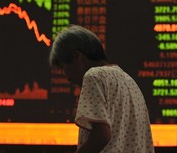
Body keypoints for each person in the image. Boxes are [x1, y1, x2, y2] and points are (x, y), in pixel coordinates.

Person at [49, 24, 155, 153]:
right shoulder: (129, 81)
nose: (67, 77)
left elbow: (101, 136)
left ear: (77, 56)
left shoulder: (93, 76)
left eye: (63, 66)